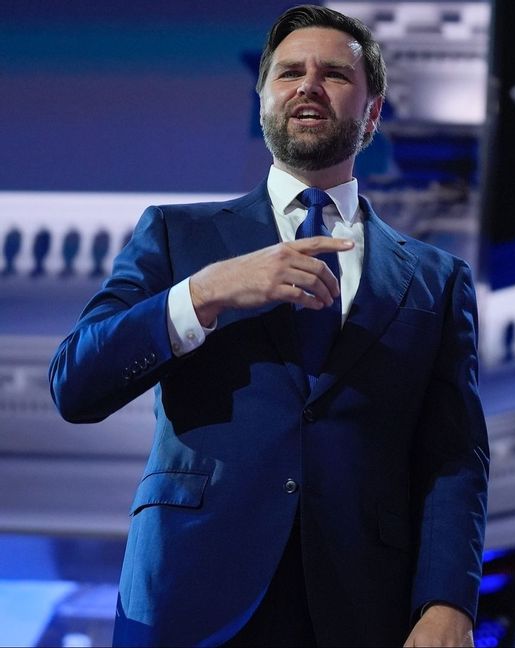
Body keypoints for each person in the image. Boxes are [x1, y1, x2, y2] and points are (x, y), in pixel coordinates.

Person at [49, 5, 488, 646]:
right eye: (289, 73)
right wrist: (207, 292)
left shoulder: (437, 279)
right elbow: (75, 384)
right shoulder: (179, 234)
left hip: (362, 606)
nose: (308, 85)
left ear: (372, 112)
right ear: (263, 101)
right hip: (190, 596)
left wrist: (449, 600)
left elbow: (455, 456)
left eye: (334, 74)